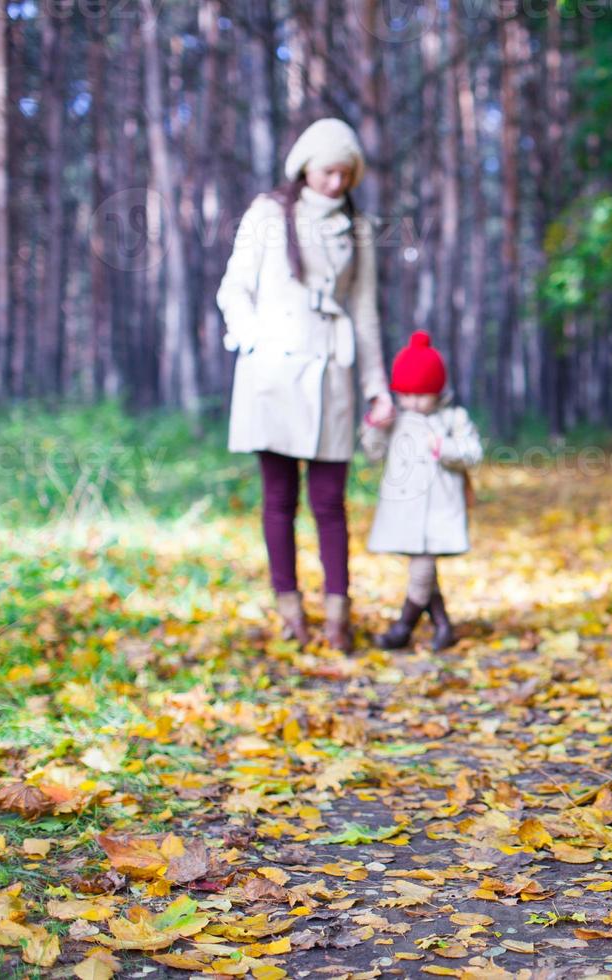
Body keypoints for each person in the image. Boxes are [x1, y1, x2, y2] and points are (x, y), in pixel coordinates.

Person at [216, 118, 392, 653]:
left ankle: (339, 616)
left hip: (331, 372)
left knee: (330, 500)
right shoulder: (268, 214)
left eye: (345, 173)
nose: (335, 183)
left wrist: (375, 387)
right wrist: (254, 342)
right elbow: (234, 288)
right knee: (278, 498)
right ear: (304, 167)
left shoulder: (358, 229)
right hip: (271, 373)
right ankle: (290, 610)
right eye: (326, 170)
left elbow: (365, 313)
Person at [361, 331, 482, 652]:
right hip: (405, 511)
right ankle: (443, 626)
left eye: (422, 395)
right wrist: (375, 425)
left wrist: (444, 447)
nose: (413, 402)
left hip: (440, 509)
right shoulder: (397, 421)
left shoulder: (453, 419)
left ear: (438, 391)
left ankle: (403, 627)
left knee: (422, 567)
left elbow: (472, 452)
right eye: (406, 395)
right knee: (423, 571)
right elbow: (372, 452)